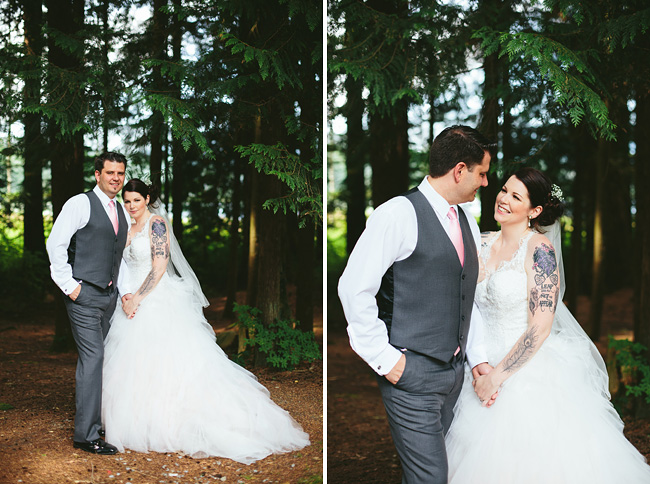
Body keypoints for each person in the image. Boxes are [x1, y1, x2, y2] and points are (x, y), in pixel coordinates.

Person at [445, 167, 650, 483]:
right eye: (504, 190)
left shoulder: (540, 250)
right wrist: (479, 367)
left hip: (526, 369)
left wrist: (497, 377)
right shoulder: (480, 242)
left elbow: (540, 326)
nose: (503, 199)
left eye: (516, 196)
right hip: (479, 363)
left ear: (535, 210)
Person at [101, 179, 309, 464]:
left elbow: (160, 267)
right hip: (129, 300)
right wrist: (126, 296)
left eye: (136, 200)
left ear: (147, 198)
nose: (131, 206)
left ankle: (174, 423)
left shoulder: (156, 224)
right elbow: (123, 263)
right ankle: (140, 422)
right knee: (134, 363)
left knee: (169, 363)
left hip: (155, 299)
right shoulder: (127, 226)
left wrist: (138, 297)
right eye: (127, 201)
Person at [338, 125, 498, 484]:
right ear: (459, 170)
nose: (485, 183)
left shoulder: (467, 221)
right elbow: (354, 288)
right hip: (412, 375)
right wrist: (386, 360)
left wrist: (477, 359)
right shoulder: (397, 214)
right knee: (431, 478)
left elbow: (464, 296)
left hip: (455, 377)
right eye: (482, 173)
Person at [46, 152, 132, 455]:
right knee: (93, 359)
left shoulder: (121, 210)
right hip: (84, 295)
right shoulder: (80, 203)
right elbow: (55, 243)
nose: (116, 179)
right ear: (97, 174)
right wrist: (70, 287)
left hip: (109, 297)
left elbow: (119, 257)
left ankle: (101, 422)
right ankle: (86, 435)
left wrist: (121, 293)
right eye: (110, 173)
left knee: (109, 360)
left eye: (120, 173)